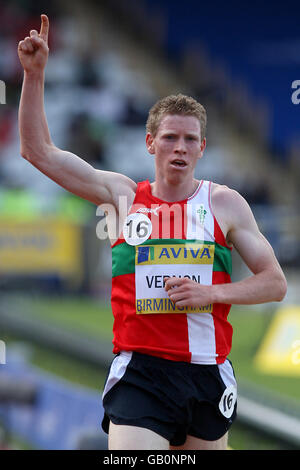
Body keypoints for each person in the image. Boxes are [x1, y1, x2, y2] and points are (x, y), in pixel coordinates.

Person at [18, 15, 287, 451]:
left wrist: (212, 295)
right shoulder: (122, 195)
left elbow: (275, 283)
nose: (179, 147)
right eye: (169, 138)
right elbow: (37, 151)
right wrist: (34, 76)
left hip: (206, 371)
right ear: (150, 143)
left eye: (189, 139)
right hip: (141, 373)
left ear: (202, 148)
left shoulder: (225, 204)